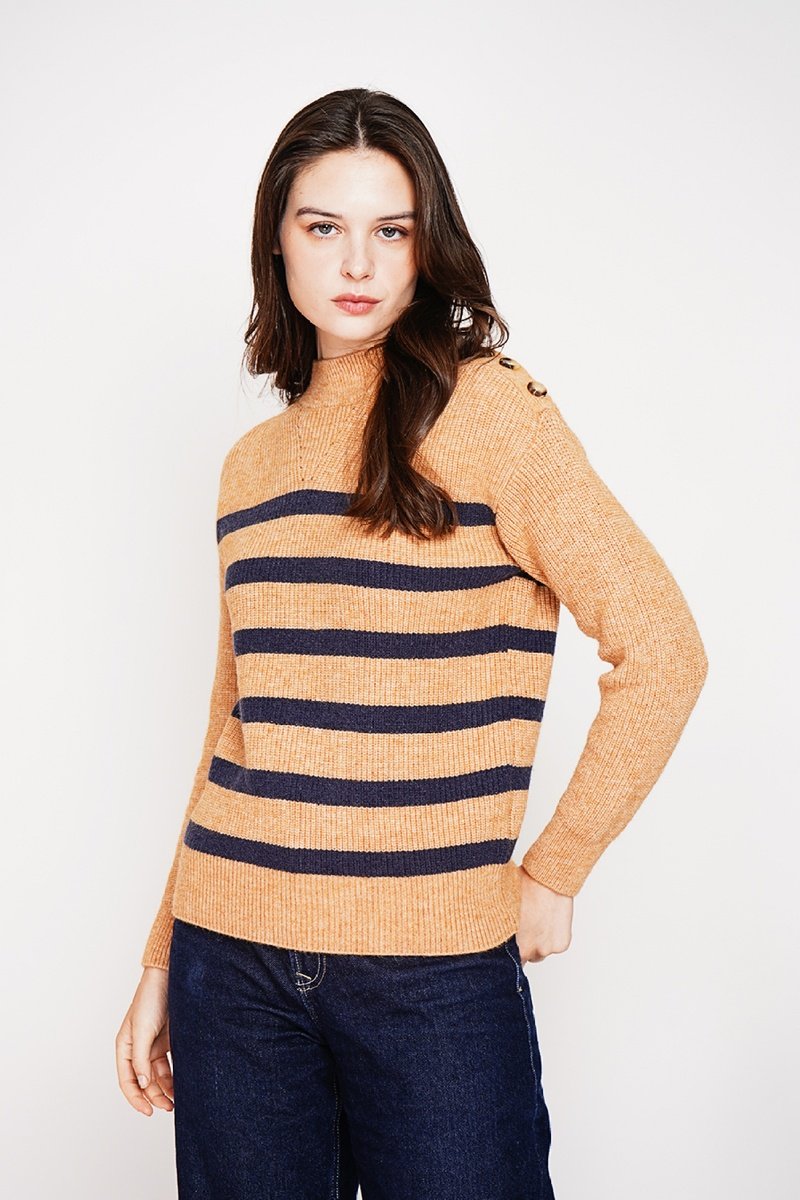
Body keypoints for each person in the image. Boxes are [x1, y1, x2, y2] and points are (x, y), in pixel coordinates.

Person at [115, 87, 708, 1199]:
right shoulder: (251, 468)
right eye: (322, 226)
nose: (358, 263)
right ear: (276, 240)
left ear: (427, 243)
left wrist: (556, 871)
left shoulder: (491, 414)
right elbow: (235, 725)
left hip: (433, 979)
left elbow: (664, 648)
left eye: (390, 229)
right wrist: (159, 958)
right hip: (228, 963)